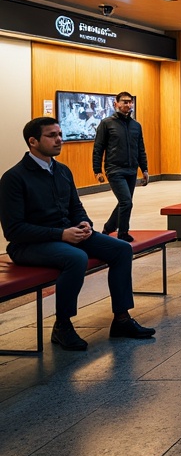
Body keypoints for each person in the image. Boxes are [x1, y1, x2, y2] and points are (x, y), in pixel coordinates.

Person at [1, 117, 156, 351]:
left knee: (121, 249)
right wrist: (61, 234)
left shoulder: (62, 170)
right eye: (51, 135)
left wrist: (84, 223)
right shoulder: (14, 178)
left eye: (59, 134)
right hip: (29, 245)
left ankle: (122, 319)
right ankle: (62, 326)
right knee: (76, 258)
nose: (59, 140)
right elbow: (14, 230)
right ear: (33, 141)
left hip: (68, 234)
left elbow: (76, 206)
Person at [92, 91, 149, 242]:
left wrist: (144, 169)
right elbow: (98, 148)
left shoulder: (136, 126)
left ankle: (109, 227)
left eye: (130, 102)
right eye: (124, 101)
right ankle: (122, 233)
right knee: (126, 202)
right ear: (115, 104)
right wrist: (97, 170)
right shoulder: (106, 123)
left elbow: (140, 149)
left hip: (131, 170)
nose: (128, 104)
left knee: (124, 202)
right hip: (114, 169)